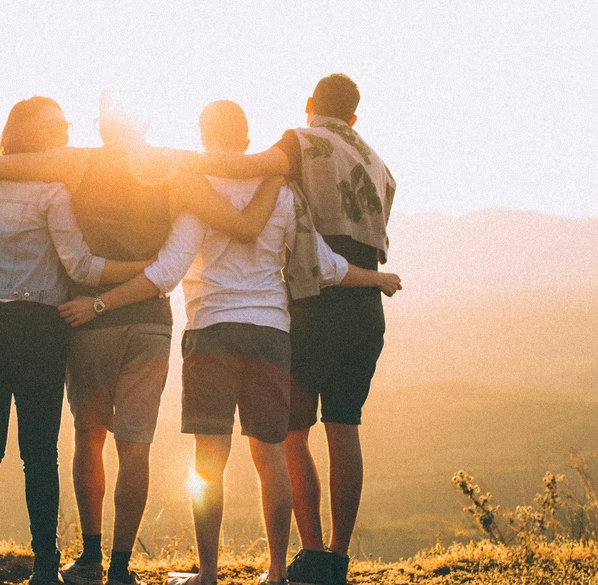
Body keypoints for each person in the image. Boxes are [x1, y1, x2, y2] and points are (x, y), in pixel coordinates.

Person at [58, 101, 400, 585]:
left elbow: (168, 271)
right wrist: (375, 278)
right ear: (245, 140)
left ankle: (210, 575)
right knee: (271, 456)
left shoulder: (197, 189)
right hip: (271, 335)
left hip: (212, 332)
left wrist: (100, 303)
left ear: (203, 135)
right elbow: (322, 264)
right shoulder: (281, 191)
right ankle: (278, 572)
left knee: (209, 460)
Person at [0, 92, 283, 585]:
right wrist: (276, 172)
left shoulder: (76, 164)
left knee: (89, 437)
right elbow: (243, 225)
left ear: (103, 127)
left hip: (89, 317)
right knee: (135, 446)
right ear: (145, 122)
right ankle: (122, 568)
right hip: (150, 322)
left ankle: (91, 559)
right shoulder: (175, 170)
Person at [191, 74, 398, 585]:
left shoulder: (300, 141)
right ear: (354, 116)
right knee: (345, 427)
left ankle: (307, 554)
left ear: (310, 105)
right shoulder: (379, 164)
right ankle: (337, 557)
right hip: (364, 304)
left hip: (314, 301)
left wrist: (176, 166)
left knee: (291, 432)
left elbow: (245, 167)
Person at [0, 96, 154, 585]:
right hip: (37, 328)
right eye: (56, 125)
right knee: (38, 451)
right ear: (32, 134)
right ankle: (45, 565)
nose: (66, 131)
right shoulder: (52, 193)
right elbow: (83, 267)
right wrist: (148, 271)